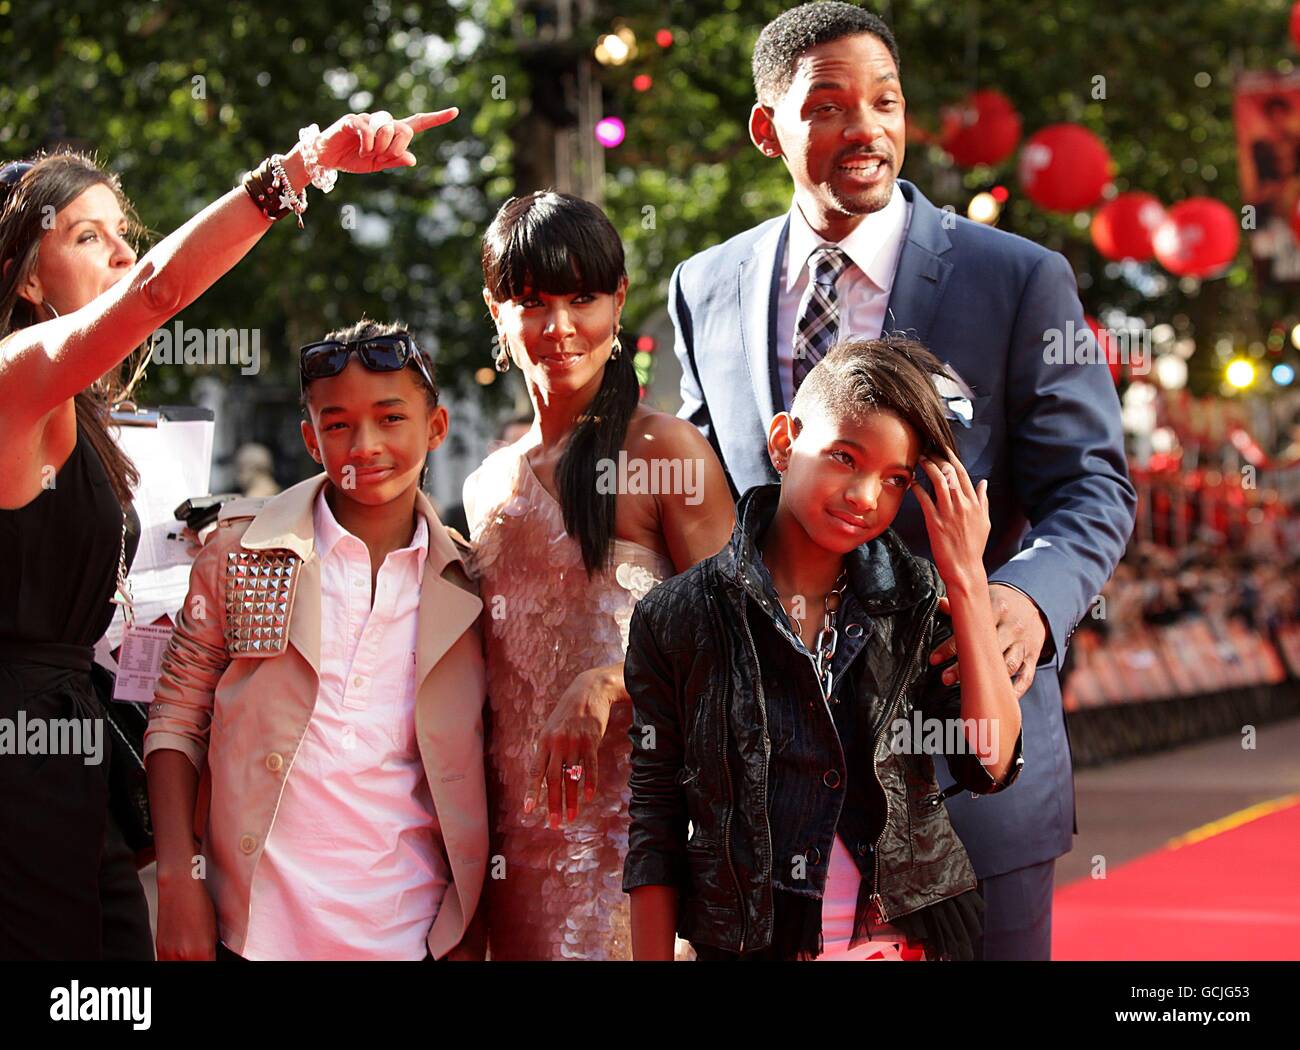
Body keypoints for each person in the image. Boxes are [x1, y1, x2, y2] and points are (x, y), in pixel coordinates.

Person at [666, 1, 1135, 958]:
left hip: (968, 762)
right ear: (770, 129)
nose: (866, 128)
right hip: (774, 787)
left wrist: (1026, 601)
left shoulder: (1017, 279)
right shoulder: (704, 286)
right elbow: (703, 501)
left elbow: (1093, 486)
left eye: (886, 101)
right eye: (830, 105)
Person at [0, 109, 453, 960]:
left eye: (124, 235)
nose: (125, 255)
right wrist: (294, 172)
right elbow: (159, 293)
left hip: (76, 743)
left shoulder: (85, 415)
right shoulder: (13, 379)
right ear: (26, 278)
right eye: (89, 237)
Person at [624, 336, 1022, 961]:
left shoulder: (914, 598)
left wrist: (968, 579)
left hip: (909, 943)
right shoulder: (680, 616)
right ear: (784, 441)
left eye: (896, 480)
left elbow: (990, 762)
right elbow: (655, 820)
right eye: (844, 457)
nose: (866, 496)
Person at [146, 320, 488, 961]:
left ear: (435, 428)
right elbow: (176, 719)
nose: (366, 446)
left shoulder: (474, 588)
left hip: (412, 936)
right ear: (310, 438)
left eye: (392, 419)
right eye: (338, 425)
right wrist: (178, 878)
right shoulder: (242, 552)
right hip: (250, 932)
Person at [463, 191, 735, 959]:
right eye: (531, 302)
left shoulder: (666, 452)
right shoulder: (486, 486)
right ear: (497, 310)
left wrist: (610, 680)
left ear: (618, 301)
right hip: (515, 851)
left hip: (639, 851)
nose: (558, 328)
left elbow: (743, 644)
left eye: (582, 297)